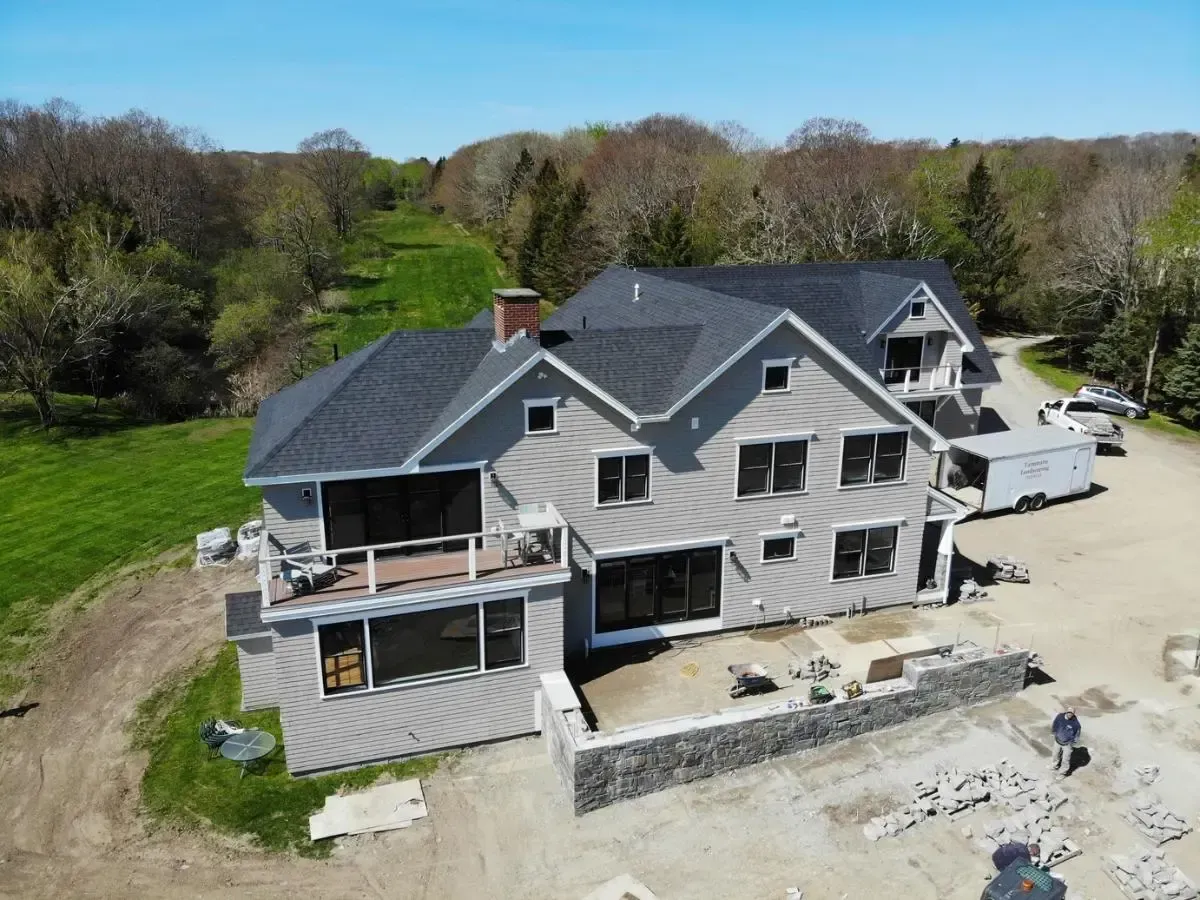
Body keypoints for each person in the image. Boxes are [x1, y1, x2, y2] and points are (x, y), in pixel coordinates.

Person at [1051, 707, 1081, 777]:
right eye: (1069, 712)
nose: (1070, 714)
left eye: (1072, 713)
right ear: (1067, 712)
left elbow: (1077, 734)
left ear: (1073, 714)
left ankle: (1062, 774)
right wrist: (1054, 732)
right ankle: (1054, 766)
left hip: (1067, 744)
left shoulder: (1075, 724)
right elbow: (1055, 723)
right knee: (1055, 755)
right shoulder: (1060, 717)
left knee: (1065, 760)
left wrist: (1072, 742)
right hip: (1058, 740)